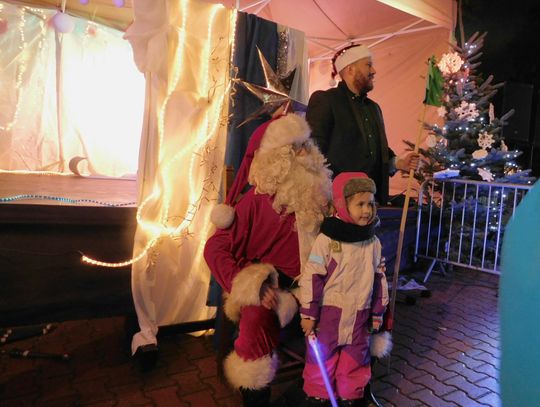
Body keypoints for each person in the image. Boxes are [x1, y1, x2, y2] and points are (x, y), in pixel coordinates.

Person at [204, 113, 333, 406]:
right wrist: (253, 286)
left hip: (319, 283)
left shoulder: (320, 195)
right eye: (297, 148)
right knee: (256, 317)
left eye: (306, 145)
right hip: (276, 288)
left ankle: (341, 383)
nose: (307, 154)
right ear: (278, 159)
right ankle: (256, 398)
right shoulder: (256, 201)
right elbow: (214, 248)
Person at [299, 172, 392, 406]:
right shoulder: (327, 240)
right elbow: (312, 277)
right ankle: (319, 397)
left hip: (360, 315)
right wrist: (309, 314)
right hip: (329, 316)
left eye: (370, 204)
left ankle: (352, 397)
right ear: (342, 204)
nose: (367, 210)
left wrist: (377, 312)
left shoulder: (373, 242)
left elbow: (380, 279)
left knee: (355, 360)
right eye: (360, 204)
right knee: (322, 358)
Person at [306, 43, 419, 206]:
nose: (374, 71)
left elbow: (376, 150)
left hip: (371, 204)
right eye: (368, 65)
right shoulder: (326, 100)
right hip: (338, 202)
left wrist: (398, 163)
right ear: (350, 69)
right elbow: (314, 151)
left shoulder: (374, 108)